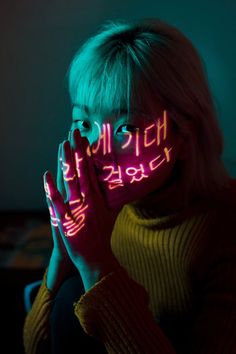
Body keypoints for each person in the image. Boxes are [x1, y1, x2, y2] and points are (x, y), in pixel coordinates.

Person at [23, 17, 236, 354]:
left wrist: (96, 263)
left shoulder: (225, 230)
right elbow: (37, 347)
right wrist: (62, 254)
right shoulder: (98, 211)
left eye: (126, 128)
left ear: (184, 135)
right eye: (84, 122)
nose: (96, 148)